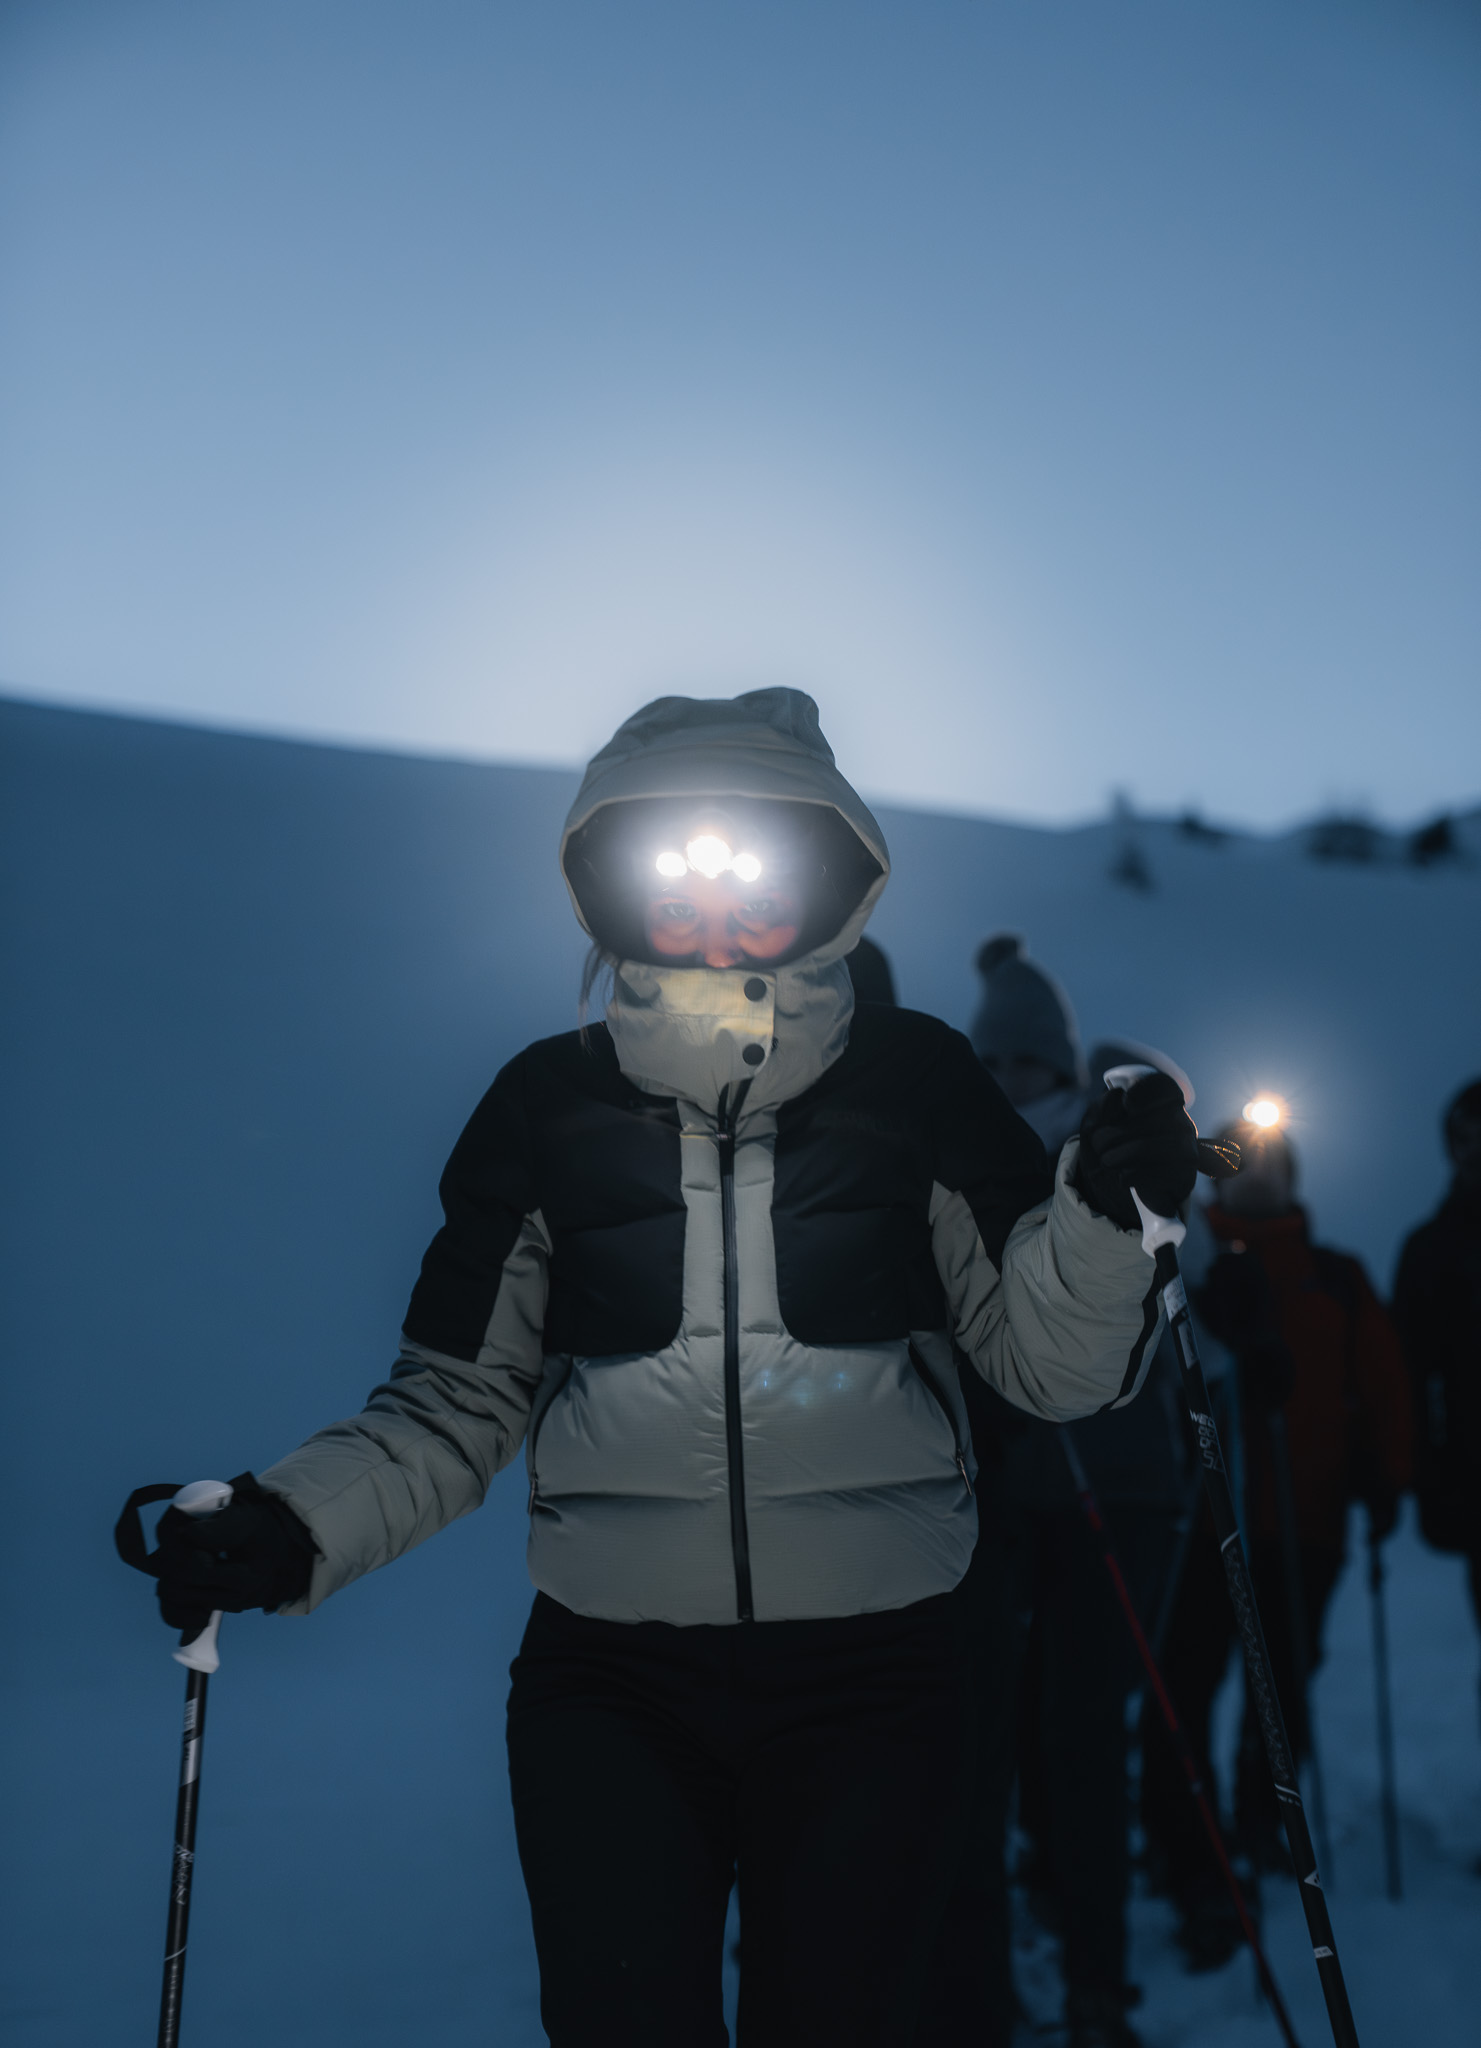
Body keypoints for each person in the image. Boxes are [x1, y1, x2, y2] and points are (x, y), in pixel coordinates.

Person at [120, 690, 1210, 2048]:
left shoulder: (917, 1081)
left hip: (878, 1680)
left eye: (756, 858)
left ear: (830, 874)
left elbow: (1048, 1366)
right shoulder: (545, 1106)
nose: (715, 895)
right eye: (672, 863)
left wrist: (1111, 1228)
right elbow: (457, 1400)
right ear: (607, 885)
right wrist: (295, 1523)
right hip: (612, 1689)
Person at [926, 931, 1195, 2048]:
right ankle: (1006, 1977)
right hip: (1006, 1494)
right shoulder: (966, 1157)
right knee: (1004, 1741)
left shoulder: (1104, 1149)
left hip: (1110, 1491)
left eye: (1019, 1063)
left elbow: (1177, 1298)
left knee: (1078, 1736)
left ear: (1056, 1062)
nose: (1004, 1082)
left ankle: (1094, 1983)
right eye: (989, 1063)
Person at [1141, 1110, 1412, 1963]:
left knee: (1282, 1686)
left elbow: (1381, 1379)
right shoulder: (1182, 1263)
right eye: (1241, 1163)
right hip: (1201, 1523)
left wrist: (1384, 1474)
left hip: (1306, 1518)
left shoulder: (1333, 1276)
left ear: (1292, 1179)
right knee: (1182, 1685)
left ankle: (1264, 1822)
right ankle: (1189, 1847)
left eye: (1272, 1164)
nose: (1256, 1178)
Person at [1393, 1077, 1481, 1736]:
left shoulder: (1432, 1245)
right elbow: (1409, 1380)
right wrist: (1426, 1482)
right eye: (1466, 1137)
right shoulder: (1431, 1249)